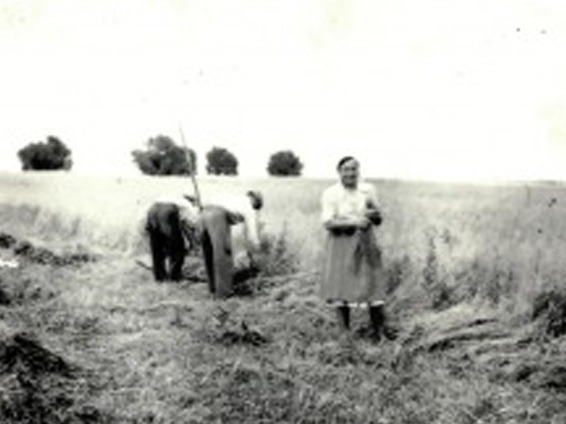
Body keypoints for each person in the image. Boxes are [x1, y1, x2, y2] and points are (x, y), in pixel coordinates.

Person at [320, 156, 388, 341]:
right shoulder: (331, 193)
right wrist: (355, 222)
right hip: (341, 243)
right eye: (346, 169)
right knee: (341, 288)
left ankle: (379, 334)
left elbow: (379, 219)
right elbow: (328, 223)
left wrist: (374, 215)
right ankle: (344, 335)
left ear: (359, 171)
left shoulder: (367, 190)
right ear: (339, 172)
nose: (350, 173)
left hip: (366, 241)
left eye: (354, 169)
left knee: (373, 285)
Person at [198, 190, 263, 298]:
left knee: (209, 252)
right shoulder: (249, 207)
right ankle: (224, 293)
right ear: (255, 201)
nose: (256, 209)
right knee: (223, 253)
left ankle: (212, 288)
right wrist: (256, 245)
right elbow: (252, 231)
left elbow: (241, 231)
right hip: (217, 215)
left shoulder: (235, 198)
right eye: (257, 206)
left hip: (203, 213)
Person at [145, 194, 200, 282]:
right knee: (177, 247)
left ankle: (160, 277)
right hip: (167, 212)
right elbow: (194, 222)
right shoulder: (186, 204)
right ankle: (175, 276)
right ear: (191, 201)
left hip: (152, 211)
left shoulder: (168, 198)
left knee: (157, 248)